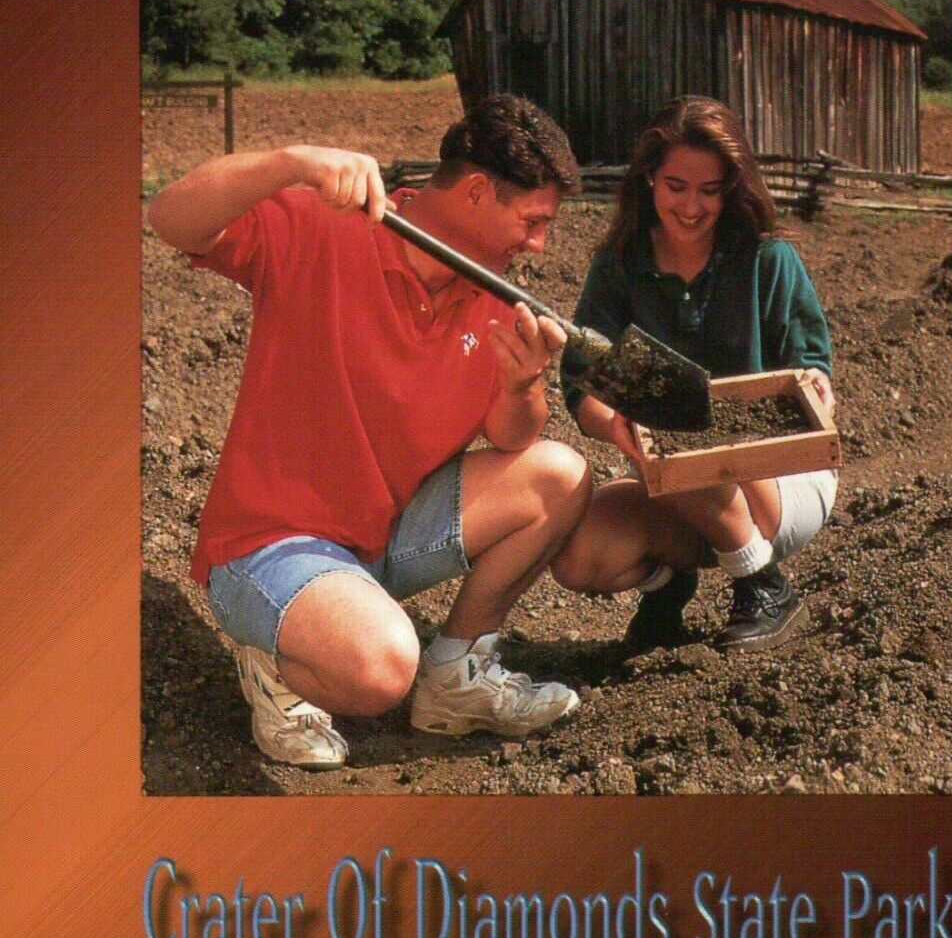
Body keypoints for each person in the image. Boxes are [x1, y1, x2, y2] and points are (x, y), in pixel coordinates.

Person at [147, 95, 592, 768]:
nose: (538, 244)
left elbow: (511, 438)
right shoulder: (325, 227)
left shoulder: (495, 294)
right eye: (532, 222)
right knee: (379, 671)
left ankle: (454, 680)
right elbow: (170, 219)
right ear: (476, 192)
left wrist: (521, 385)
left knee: (560, 475)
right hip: (268, 544)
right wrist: (291, 163)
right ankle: (274, 665)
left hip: (379, 537)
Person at [553, 96, 836, 652]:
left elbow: (812, 372)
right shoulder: (620, 266)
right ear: (649, 181)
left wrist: (815, 387)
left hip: (777, 480)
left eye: (710, 190)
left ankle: (763, 582)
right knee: (583, 557)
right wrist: (615, 427)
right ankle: (669, 583)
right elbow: (583, 380)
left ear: (732, 190)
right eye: (676, 186)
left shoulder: (766, 260)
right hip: (668, 471)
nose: (691, 206)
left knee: (689, 429)